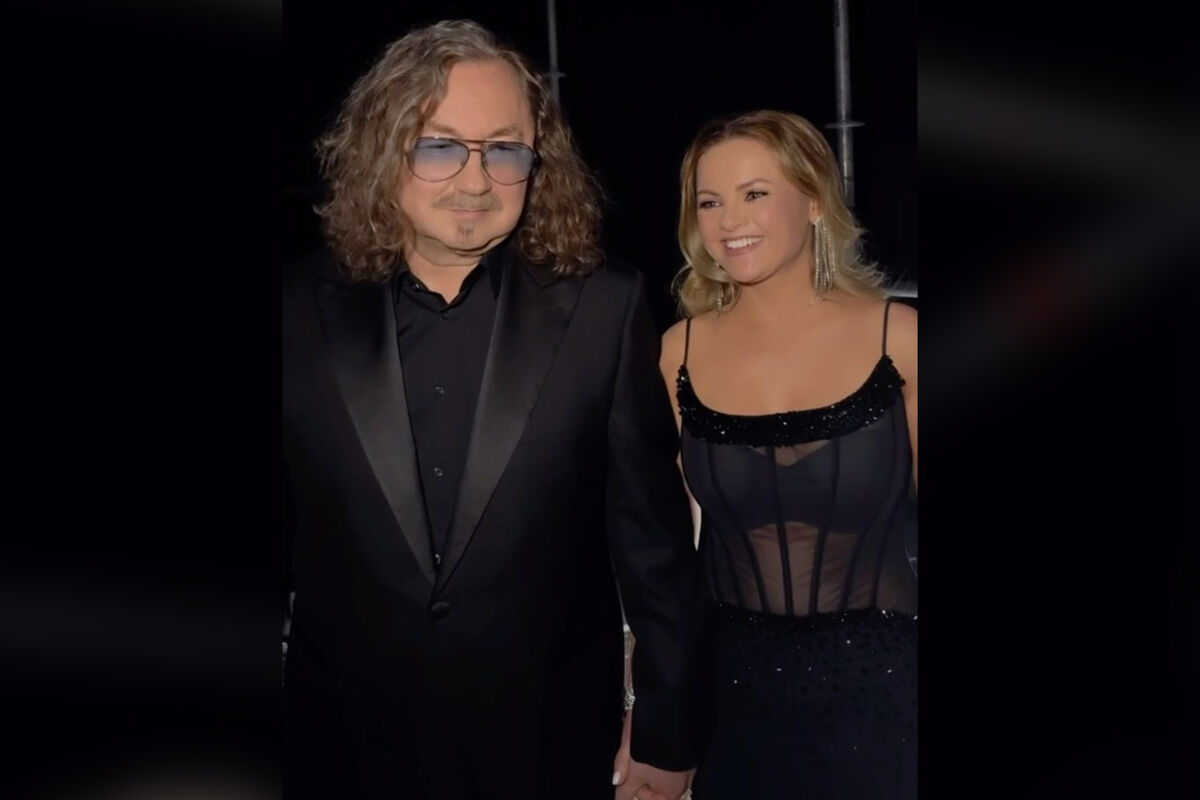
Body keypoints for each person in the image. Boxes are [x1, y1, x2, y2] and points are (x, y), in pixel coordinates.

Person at [282, 20, 709, 800]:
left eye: (505, 150)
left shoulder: (605, 309)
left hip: (547, 750)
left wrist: (666, 732)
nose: (475, 181)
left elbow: (654, 549)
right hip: (339, 750)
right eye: (439, 146)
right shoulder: (296, 310)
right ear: (382, 149)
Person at [658, 109, 918, 798]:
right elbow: (667, 555)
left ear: (813, 201)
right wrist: (649, 709)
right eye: (709, 202)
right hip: (732, 705)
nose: (728, 220)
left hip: (889, 699)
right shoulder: (677, 353)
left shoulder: (900, 338)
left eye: (755, 193)